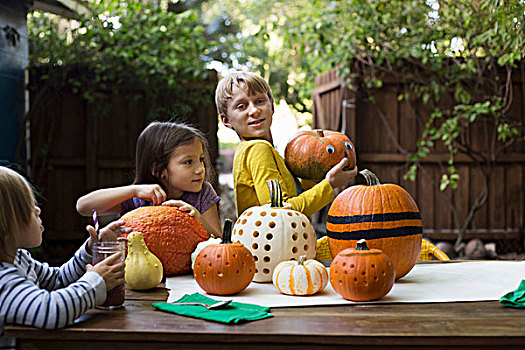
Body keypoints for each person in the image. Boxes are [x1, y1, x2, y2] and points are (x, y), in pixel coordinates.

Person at [0, 166, 128, 349]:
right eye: (28, 207)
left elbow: (58, 279)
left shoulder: (20, 259)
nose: (37, 210)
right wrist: (96, 281)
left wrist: (90, 250)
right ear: (5, 228)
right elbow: (49, 311)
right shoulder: (3, 282)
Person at [215, 71, 357, 218]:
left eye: (260, 101)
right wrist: (329, 184)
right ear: (226, 120)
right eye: (241, 106)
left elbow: (296, 195)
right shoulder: (257, 149)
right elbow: (280, 213)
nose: (254, 110)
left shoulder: (262, 151)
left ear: (272, 106)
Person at [76, 121, 221, 237]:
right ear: (158, 169)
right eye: (188, 162)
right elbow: (83, 207)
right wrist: (134, 190)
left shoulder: (203, 194)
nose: (200, 169)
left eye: (201, 159)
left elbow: (220, 242)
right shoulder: (139, 198)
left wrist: (198, 219)